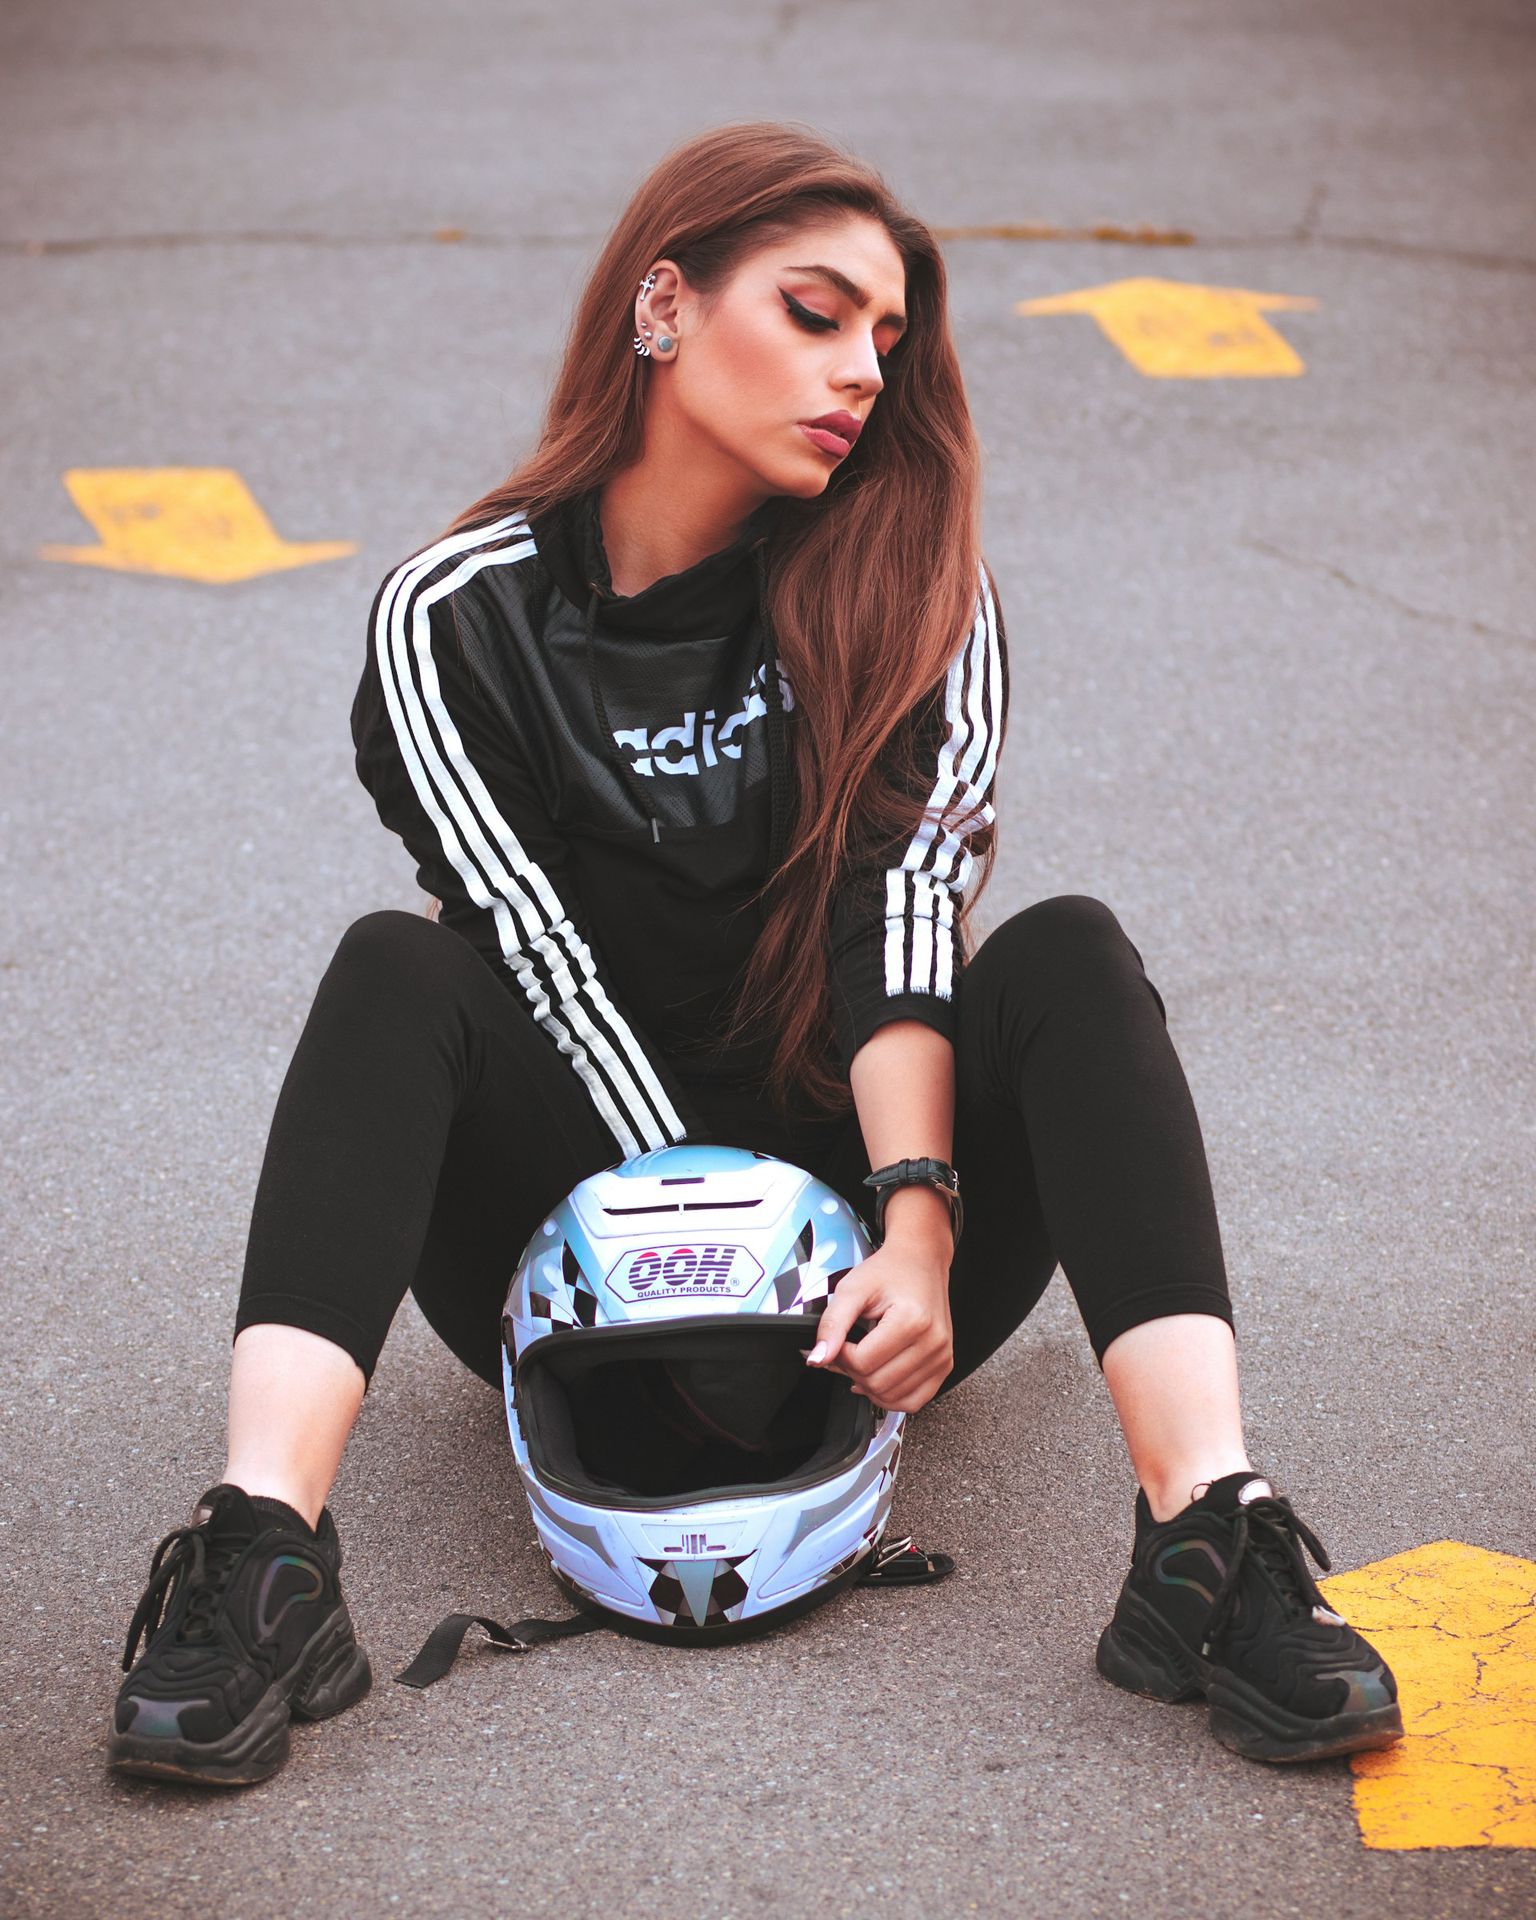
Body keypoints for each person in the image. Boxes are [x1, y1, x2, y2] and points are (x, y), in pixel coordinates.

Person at [108, 120, 1401, 1787]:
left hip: (870, 1212)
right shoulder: (458, 611)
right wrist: (705, 1261)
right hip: (561, 1208)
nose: (864, 369)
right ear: (662, 307)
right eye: (815, 311)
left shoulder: (918, 586)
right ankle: (260, 1556)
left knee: (1069, 953)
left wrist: (916, 1226)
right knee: (395, 969)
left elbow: (907, 912)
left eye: (887, 337)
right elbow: (534, 948)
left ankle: (1209, 1539)